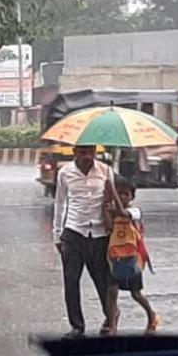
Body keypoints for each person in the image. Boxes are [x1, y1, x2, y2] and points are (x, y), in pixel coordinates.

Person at [53, 144, 120, 339]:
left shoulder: (105, 171)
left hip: (99, 234)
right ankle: (77, 326)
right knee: (71, 281)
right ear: (75, 153)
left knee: (103, 282)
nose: (88, 157)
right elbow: (59, 203)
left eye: (91, 152)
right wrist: (57, 234)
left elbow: (114, 200)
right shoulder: (65, 173)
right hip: (74, 231)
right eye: (83, 153)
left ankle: (110, 318)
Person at [104, 178, 160, 336]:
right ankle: (113, 326)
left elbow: (123, 213)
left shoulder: (135, 212)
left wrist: (112, 194)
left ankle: (151, 316)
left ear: (132, 197)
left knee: (136, 294)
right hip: (114, 258)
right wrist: (105, 209)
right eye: (119, 193)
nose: (122, 197)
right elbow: (108, 227)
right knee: (112, 291)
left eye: (125, 194)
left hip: (132, 259)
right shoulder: (112, 211)